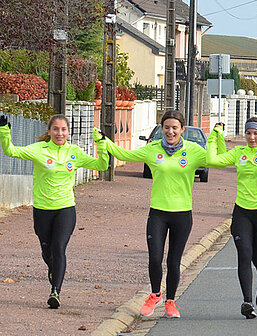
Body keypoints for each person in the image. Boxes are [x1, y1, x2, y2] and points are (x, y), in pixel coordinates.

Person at [97, 110, 221, 319]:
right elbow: (123, 154)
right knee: (155, 258)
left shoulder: (194, 151)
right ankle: (155, 295)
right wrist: (103, 141)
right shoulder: (152, 150)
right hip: (158, 213)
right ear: (161, 129)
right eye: (166, 127)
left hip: (182, 214)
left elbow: (216, 160)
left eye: (175, 128)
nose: (170, 132)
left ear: (182, 129)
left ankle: (171, 302)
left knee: (174, 261)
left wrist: (216, 136)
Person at [0, 114, 109, 309]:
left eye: (63, 129)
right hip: (42, 210)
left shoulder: (74, 153)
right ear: (49, 131)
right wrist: (4, 131)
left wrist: (101, 144)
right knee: (47, 251)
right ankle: (54, 270)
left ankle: (55, 291)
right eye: (56, 129)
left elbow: (101, 165)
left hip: (65, 208)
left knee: (59, 247)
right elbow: (11, 151)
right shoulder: (39, 150)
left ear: (68, 132)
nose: (60, 133)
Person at [206, 116, 257, 319]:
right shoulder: (239, 153)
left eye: (256, 133)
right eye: (248, 133)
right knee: (244, 253)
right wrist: (215, 135)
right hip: (242, 211)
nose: (251, 137)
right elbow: (212, 160)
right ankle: (247, 302)